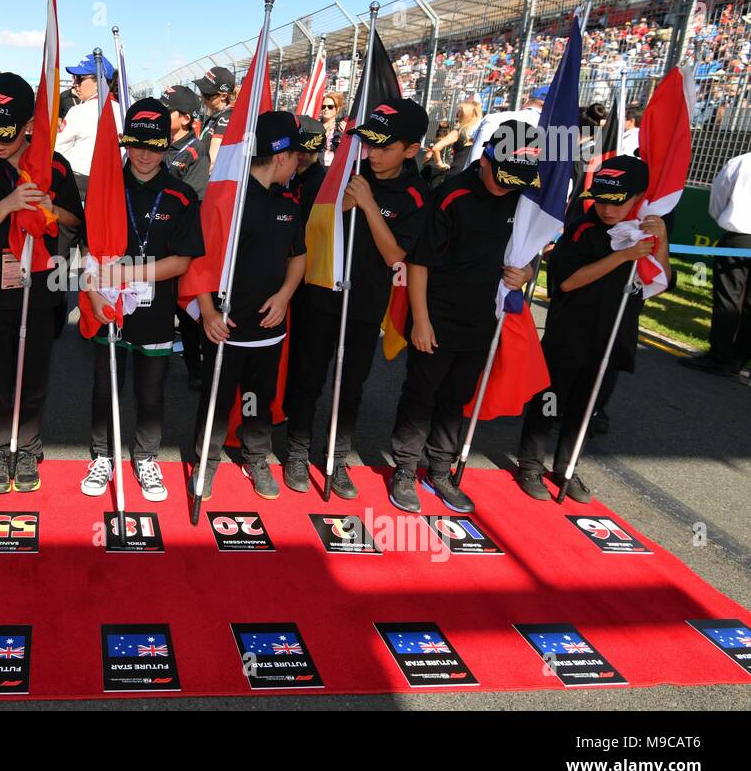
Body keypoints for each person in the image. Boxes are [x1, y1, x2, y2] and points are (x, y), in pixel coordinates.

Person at [387, 120, 541, 514]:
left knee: (456, 398)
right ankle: (404, 469)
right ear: (486, 157)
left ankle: (440, 469)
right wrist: (421, 321)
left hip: (483, 319)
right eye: (502, 176)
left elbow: (530, 252)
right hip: (437, 314)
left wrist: (524, 275)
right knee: (422, 393)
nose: (507, 186)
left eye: (516, 180)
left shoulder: (523, 198)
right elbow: (420, 263)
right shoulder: (452, 193)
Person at [284, 98, 430, 498]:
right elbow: (307, 227)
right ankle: (297, 452)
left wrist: (367, 206)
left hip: (365, 300)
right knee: (307, 377)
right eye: (371, 144)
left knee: (350, 385)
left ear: (411, 149)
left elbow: (394, 255)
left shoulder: (416, 194)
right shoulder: (344, 171)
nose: (374, 153)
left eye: (385, 147)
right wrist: (337, 205)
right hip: (320, 291)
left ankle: (336, 458)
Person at [0, 74, 82, 493]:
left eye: (6, 133)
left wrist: (52, 208)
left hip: (43, 290)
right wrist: (7, 205)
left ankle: (27, 445)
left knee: (33, 375)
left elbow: (76, 223)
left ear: (29, 123)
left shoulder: (55, 167)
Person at [515, 155, 669, 501]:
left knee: (587, 407)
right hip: (571, 333)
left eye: (618, 202)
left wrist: (661, 244)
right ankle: (530, 464)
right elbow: (567, 283)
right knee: (550, 401)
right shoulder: (582, 229)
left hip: (614, 334)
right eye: (601, 200)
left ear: (639, 198)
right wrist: (621, 256)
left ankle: (566, 467)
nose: (607, 209)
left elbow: (662, 279)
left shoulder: (642, 230)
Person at [79, 98, 204, 502]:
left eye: (154, 145)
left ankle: (145, 457)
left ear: (168, 145)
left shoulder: (182, 195)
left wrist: (129, 274)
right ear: (125, 144)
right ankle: (102, 455)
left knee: (151, 390)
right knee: (104, 386)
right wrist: (95, 291)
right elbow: (85, 252)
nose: (144, 154)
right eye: (136, 144)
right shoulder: (105, 189)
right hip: (108, 307)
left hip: (155, 310)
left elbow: (183, 261)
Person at [189, 111, 306, 500]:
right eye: (296, 156)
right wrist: (206, 311)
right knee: (217, 400)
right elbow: (200, 260)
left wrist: (285, 294)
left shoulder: (289, 200)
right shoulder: (228, 199)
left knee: (258, 400)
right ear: (281, 156)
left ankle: (257, 457)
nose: (299, 163)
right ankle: (206, 461)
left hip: (269, 329)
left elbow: (298, 256)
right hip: (225, 326)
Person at [681, 152, 751, 377]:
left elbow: (718, 197)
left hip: (739, 237)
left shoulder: (740, 162)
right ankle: (739, 357)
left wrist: (725, 217)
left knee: (728, 297)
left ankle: (720, 356)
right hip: (738, 236)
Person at [55, 53, 122, 264]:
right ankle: (94, 292)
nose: (75, 84)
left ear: (98, 81)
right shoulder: (123, 111)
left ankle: (58, 294)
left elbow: (57, 151)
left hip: (76, 186)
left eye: (80, 79)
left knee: (62, 249)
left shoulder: (79, 111)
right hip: (110, 187)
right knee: (95, 249)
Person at [162, 83, 207, 389]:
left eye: (168, 112)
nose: (163, 116)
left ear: (186, 118)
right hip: (155, 244)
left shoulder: (195, 150)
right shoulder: (158, 145)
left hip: (179, 246)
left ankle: (195, 368)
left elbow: (194, 200)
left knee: (187, 314)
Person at [467, 86, 547, 165]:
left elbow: (474, 154)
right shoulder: (550, 131)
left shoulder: (494, 117)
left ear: (526, 101)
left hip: (479, 173)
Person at [423, 99, 481, 184]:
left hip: (457, 172)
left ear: (465, 114)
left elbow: (436, 148)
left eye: (460, 111)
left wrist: (440, 164)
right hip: (473, 173)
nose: (457, 114)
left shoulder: (458, 132)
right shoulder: (480, 132)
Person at [193, 66, 235, 170]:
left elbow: (212, 161)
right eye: (202, 91)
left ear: (223, 96)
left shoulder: (227, 117)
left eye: (207, 94)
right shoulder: (215, 116)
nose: (202, 97)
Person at [318, 91, 345, 168]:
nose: (326, 109)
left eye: (330, 107)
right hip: (319, 168)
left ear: (337, 109)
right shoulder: (315, 126)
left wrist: (346, 134)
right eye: (323, 107)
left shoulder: (342, 127)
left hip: (336, 169)